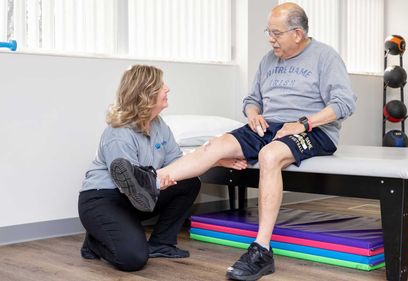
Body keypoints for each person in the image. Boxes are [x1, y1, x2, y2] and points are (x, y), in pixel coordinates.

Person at [115, 2, 356, 280]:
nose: (270, 38)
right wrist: (253, 115)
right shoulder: (268, 60)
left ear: (298, 33)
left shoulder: (325, 57)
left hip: (313, 130)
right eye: (268, 31)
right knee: (215, 145)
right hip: (267, 125)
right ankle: (151, 181)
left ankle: (262, 250)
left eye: (276, 33)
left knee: (269, 156)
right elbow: (252, 101)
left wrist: (303, 123)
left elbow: (344, 104)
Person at [77, 65, 201, 272]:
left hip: (136, 198)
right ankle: (95, 243)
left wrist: (214, 159)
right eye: (162, 86)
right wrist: (157, 180)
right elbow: (127, 181)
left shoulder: (159, 125)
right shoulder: (119, 132)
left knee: (188, 181)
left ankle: (161, 243)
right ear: (146, 93)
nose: (168, 89)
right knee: (133, 258)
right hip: (103, 199)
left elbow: (177, 162)